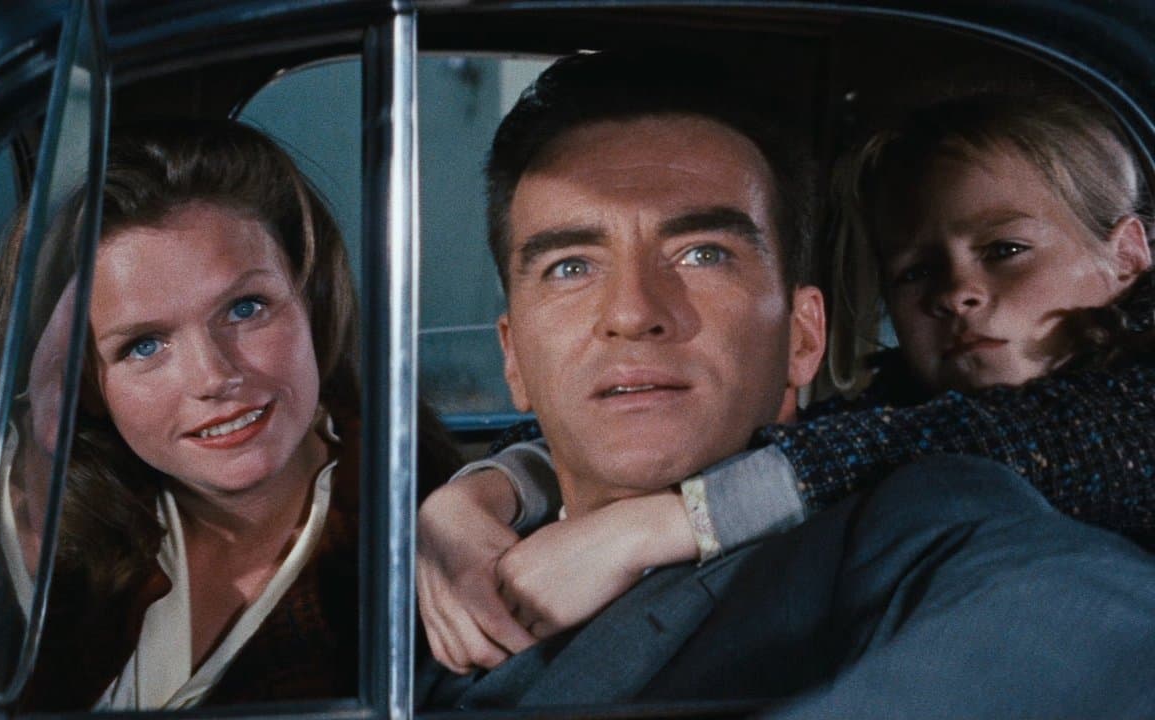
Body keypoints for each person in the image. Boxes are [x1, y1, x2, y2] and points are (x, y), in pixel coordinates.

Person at [416, 51, 1155, 716]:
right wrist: (479, 494)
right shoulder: (431, 551)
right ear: (513, 358)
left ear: (804, 338)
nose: (632, 313)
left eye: (703, 253)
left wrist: (667, 523)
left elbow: (1084, 617)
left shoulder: (932, 510)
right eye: (571, 267)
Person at [0, 120, 459, 713]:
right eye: (144, 346)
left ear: (312, 299)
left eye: (246, 308)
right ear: (85, 387)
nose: (213, 376)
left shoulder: (425, 540)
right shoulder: (51, 528)